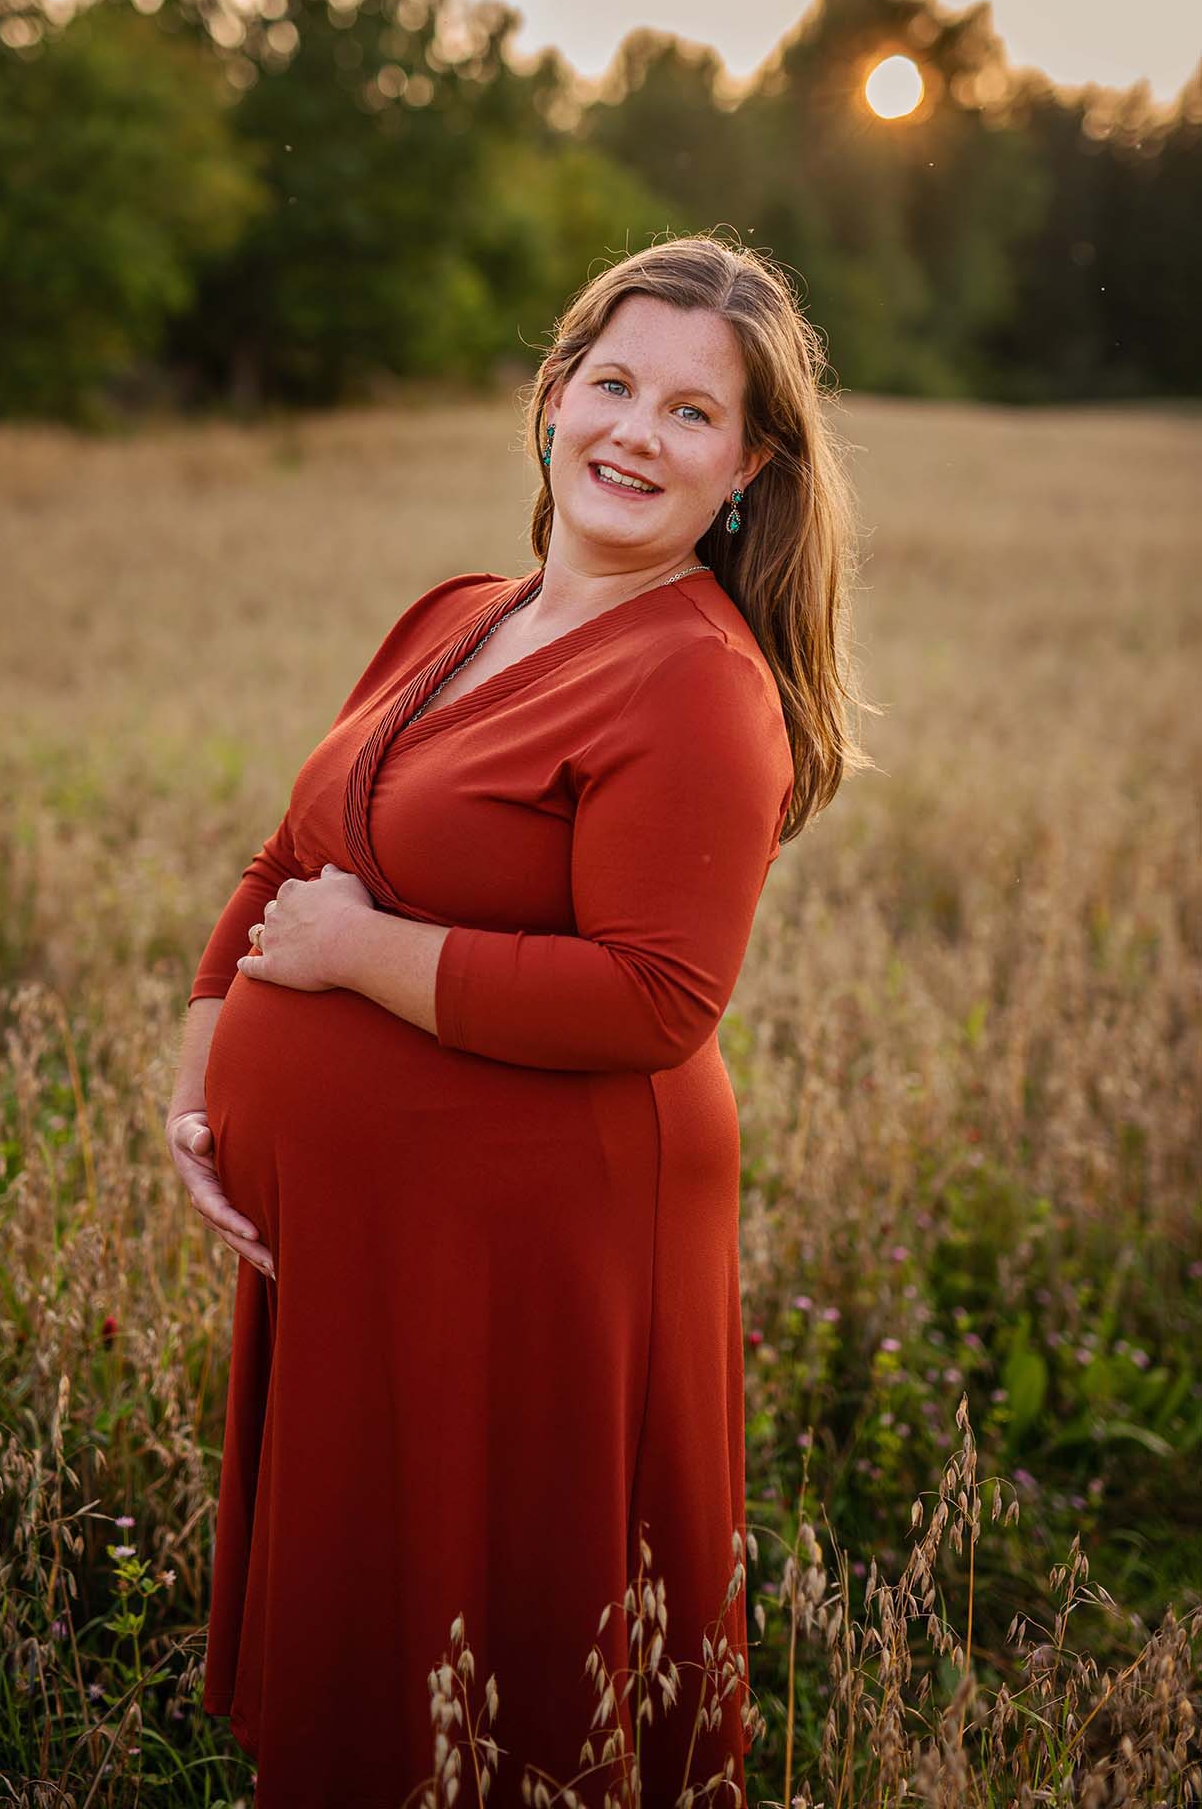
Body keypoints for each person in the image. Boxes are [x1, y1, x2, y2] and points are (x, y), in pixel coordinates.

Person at [164, 234, 865, 1808]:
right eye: (611, 383)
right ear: (550, 400)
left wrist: (360, 960)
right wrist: (202, 1083)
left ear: (746, 468)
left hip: (539, 1247)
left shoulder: (695, 684)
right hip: (383, 1236)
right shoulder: (457, 615)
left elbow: (656, 997)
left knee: (512, 1670)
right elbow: (298, 848)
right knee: (377, 1640)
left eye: (694, 413)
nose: (637, 431)